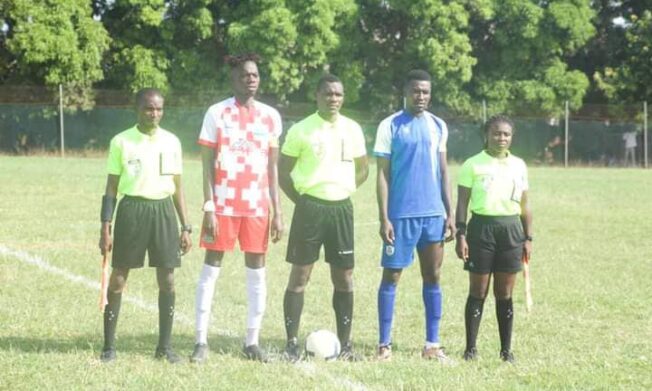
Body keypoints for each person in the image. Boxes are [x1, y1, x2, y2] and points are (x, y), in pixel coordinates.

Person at [190, 53, 283, 364]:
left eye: (255, 74)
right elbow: (205, 167)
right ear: (233, 79)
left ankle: (252, 341)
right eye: (245, 75)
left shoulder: (271, 116)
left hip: (257, 206)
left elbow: (273, 169)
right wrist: (208, 206)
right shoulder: (217, 113)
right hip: (223, 204)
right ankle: (201, 340)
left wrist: (277, 212)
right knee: (211, 268)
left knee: (257, 271)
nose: (251, 79)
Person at [98, 88, 192, 363]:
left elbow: (177, 187)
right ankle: (109, 347)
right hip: (132, 211)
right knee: (118, 278)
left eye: (159, 109)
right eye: (149, 108)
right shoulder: (121, 142)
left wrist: (185, 226)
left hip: (163, 211)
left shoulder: (172, 142)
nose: (154, 114)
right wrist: (106, 225)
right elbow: (111, 186)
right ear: (137, 109)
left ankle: (164, 347)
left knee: (168, 280)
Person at [279, 74, 369, 362]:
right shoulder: (301, 130)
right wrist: (305, 200)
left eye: (338, 94)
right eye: (328, 94)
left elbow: (363, 169)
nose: (334, 99)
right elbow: (282, 173)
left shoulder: (353, 129)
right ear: (316, 96)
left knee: (344, 277)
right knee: (300, 275)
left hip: (341, 209)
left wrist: (342, 188)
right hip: (310, 209)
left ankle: (346, 345)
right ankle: (292, 343)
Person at [373, 69, 454, 362]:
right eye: (416, 91)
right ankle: (384, 345)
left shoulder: (438, 126)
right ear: (405, 92)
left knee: (432, 276)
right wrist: (384, 217)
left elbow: (444, 171)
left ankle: (432, 344)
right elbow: (382, 175)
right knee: (392, 276)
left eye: (426, 92)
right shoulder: (390, 125)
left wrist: (450, 212)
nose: (421, 96)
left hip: (433, 215)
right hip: (401, 216)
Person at [454, 114, 533, 363]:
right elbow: (462, 203)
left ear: (512, 137)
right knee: (478, 291)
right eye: (496, 133)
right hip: (481, 230)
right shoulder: (472, 165)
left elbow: (525, 204)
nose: (501, 138)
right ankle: (470, 349)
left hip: (511, 231)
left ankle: (506, 351)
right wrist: (461, 233)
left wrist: (528, 237)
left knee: (504, 293)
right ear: (486, 135)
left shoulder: (519, 165)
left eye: (506, 134)